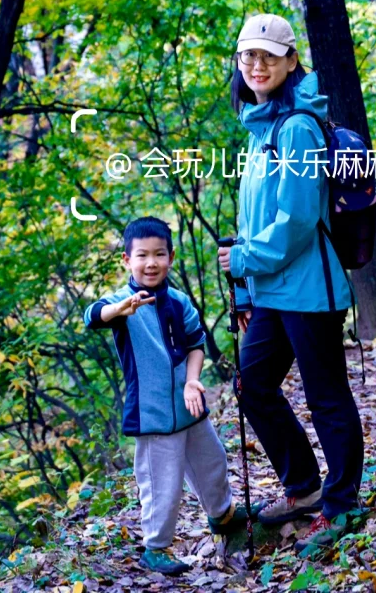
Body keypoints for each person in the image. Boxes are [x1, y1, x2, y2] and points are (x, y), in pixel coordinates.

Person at [217, 13, 365, 557]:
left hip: (309, 290)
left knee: (326, 396)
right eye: (248, 56)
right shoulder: (262, 129)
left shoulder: (298, 127)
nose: (257, 65)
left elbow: (297, 220)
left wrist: (244, 261)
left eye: (268, 56)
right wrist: (246, 290)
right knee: (252, 385)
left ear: (291, 61)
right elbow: (255, 219)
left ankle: (342, 505)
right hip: (272, 292)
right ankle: (303, 487)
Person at [83, 216, 253, 575]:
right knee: (162, 484)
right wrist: (120, 309)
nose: (151, 263)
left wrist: (192, 381)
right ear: (127, 260)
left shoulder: (178, 301)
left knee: (212, 462)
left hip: (190, 407)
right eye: (142, 255)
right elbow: (93, 315)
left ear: (171, 258)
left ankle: (222, 515)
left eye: (159, 254)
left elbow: (196, 344)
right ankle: (156, 547)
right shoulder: (122, 303)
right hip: (153, 416)